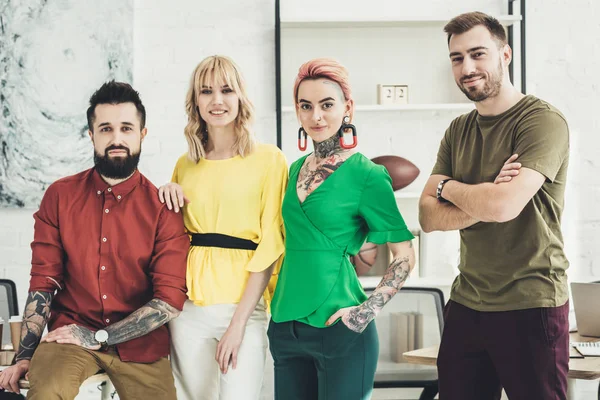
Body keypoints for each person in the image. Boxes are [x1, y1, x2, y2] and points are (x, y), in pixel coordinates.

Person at [0, 81, 189, 399]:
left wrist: (98, 335)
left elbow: (168, 301)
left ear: (142, 134)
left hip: (140, 347)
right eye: (106, 129)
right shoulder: (60, 196)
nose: (117, 139)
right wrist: (23, 357)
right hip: (69, 338)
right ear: (91, 135)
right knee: (47, 392)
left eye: (126, 128)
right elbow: (43, 283)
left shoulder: (162, 208)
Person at [418, 12, 570, 400]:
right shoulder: (458, 130)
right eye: (457, 58)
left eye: (477, 54)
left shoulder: (541, 122)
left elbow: (504, 207)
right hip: (468, 301)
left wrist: (449, 187)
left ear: (505, 54)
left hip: (531, 301)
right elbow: (427, 216)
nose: (467, 68)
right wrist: (483, 193)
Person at [268, 58, 416, 400]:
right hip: (285, 326)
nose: (316, 116)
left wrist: (365, 312)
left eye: (326, 105)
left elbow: (404, 254)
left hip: (341, 329)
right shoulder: (293, 170)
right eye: (306, 106)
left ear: (347, 107)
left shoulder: (367, 175)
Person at [158, 55, 288, 400]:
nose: (217, 100)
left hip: (242, 307)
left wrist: (238, 324)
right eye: (206, 91)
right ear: (195, 102)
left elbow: (272, 245)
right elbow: (169, 238)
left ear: (240, 96)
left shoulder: (269, 159)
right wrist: (166, 192)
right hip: (188, 310)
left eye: (226, 90)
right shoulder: (184, 165)